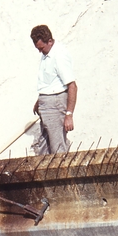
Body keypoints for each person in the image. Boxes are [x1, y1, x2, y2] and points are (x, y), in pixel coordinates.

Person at [30, 25, 77, 154]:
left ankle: (62, 173)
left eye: (41, 48)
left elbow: (72, 86)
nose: (40, 51)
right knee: (43, 147)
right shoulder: (47, 52)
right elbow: (50, 82)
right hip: (47, 103)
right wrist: (40, 101)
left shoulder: (59, 56)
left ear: (50, 41)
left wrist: (69, 115)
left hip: (55, 104)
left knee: (58, 148)